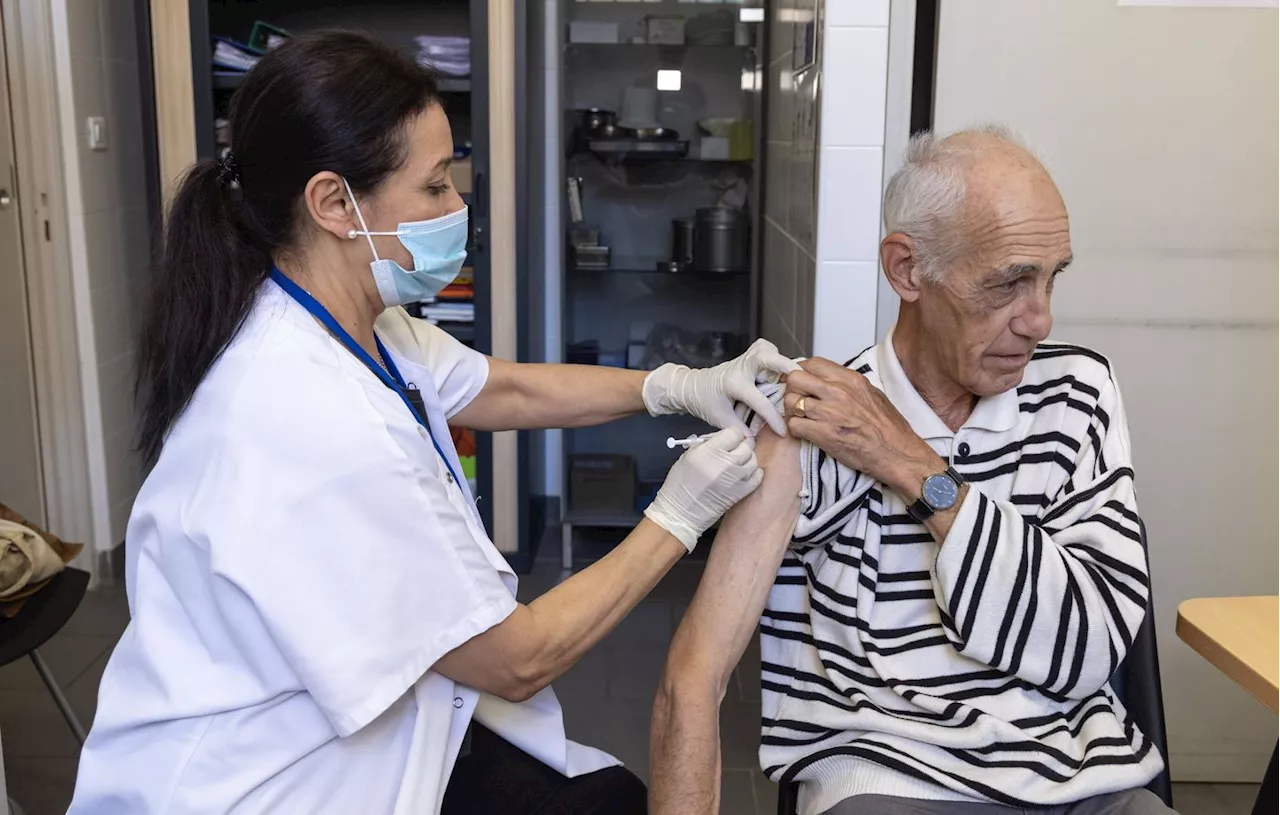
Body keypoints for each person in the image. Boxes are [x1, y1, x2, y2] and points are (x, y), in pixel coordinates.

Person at [69, 31, 796, 815]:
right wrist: (681, 513)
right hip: (260, 782)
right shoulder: (307, 413)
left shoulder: (345, 318)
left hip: (350, 719)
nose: (459, 209)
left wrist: (675, 384)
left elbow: (505, 390)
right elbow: (519, 658)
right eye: (436, 185)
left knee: (605, 791)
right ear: (332, 203)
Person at [650, 126, 1177, 814]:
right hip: (888, 780)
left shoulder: (1077, 393)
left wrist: (910, 462)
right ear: (907, 270)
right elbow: (693, 678)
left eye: (1052, 277)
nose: (1041, 319)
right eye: (1010, 282)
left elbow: (1088, 648)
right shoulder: (812, 422)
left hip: (1080, 778)